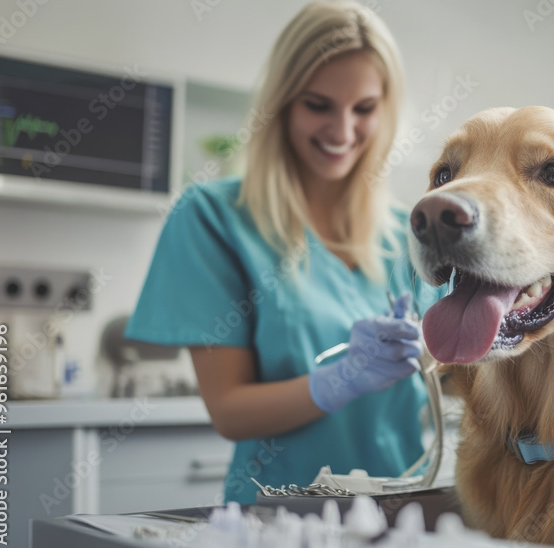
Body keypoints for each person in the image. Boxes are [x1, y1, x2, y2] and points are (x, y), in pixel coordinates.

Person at [125, 1, 441, 505]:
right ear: (282, 103)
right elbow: (229, 410)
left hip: (402, 515)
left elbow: (465, 380)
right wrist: (340, 379)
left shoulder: (412, 233)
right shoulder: (213, 217)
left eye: (363, 109)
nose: (342, 131)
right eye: (318, 105)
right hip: (275, 518)